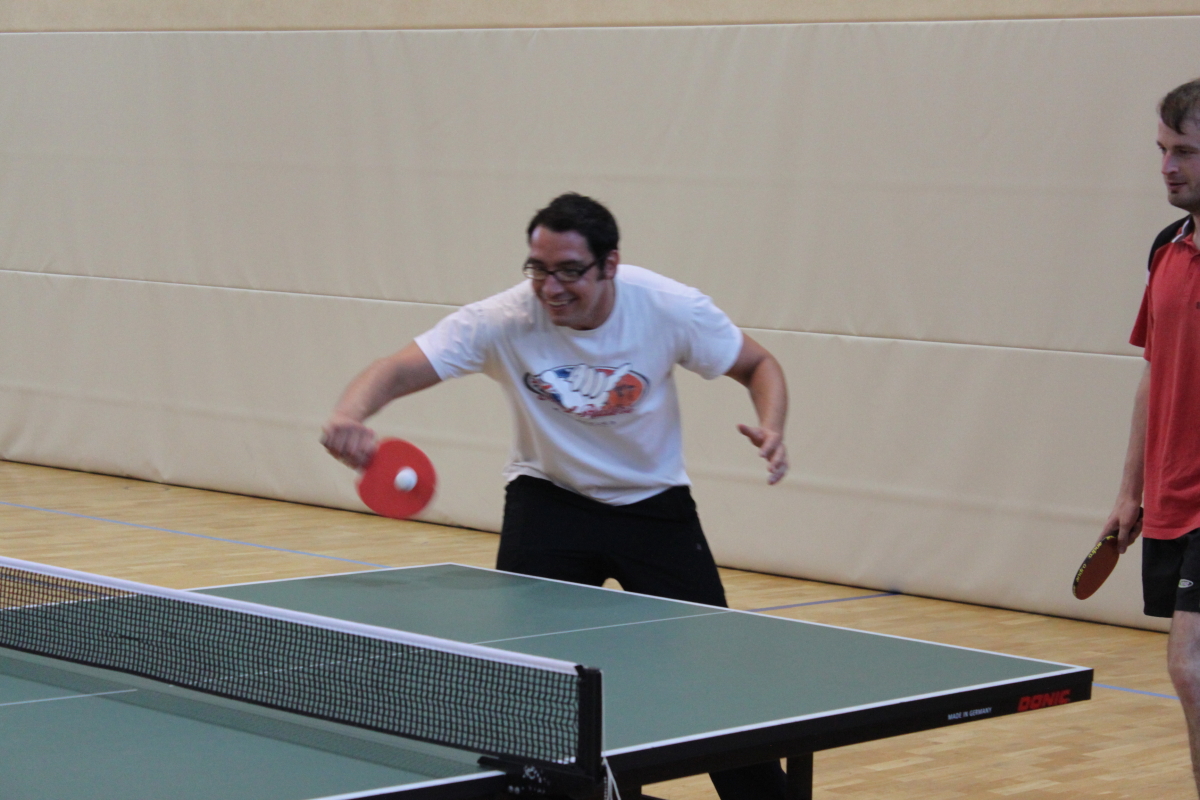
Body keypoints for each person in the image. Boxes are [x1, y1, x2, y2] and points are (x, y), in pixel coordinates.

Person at [322, 192, 789, 800]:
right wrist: (350, 413)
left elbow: (759, 365)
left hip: (654, 508)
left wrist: (772, 426)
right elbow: (399, 367)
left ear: (609, 264)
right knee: (525, 688)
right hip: (550, 503)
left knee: (711, 681)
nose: (551, 287)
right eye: (538, 269)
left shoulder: (669, 307)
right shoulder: (505, 318)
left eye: (569, 271)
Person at [1102, 77, 1200, 794]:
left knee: (1190, 665)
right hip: (1172, 497)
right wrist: (1129, 490)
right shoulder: (1167, 247)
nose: (1167, 167)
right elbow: (1153, 371)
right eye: (1162, 150)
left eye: (1185, 152)